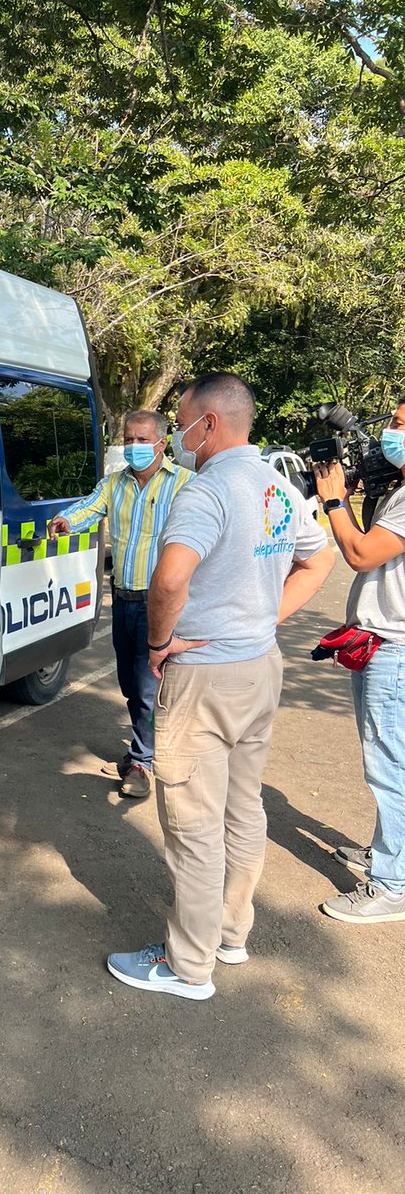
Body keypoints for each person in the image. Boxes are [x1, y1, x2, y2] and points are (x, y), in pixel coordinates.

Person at [106, 373, 334, 1000]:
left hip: (205, 675)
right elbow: (318, 560)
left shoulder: (206, 491)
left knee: (193, 823)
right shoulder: (278, 487)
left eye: (181, 423)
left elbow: (169, 580)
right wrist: (264, 619)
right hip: (259, 667)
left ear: (207, 424)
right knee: (242, 807)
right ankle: (231, 934)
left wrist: (158, 644)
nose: (178, 436)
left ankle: (188, 965)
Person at [48, 411, 193, 797]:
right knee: (130, 683)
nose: (134, 446)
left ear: (162, 443)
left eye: (142, 440)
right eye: (129, 439)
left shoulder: (186, 484)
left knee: (148, 686)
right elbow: (88, 507)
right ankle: (145, 749)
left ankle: (144, 762)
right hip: (124, 599)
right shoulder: (115, 484)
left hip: (160, 602)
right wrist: (66, 520)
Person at [315, 397, 405, 924]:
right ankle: (390, 856)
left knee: (389, 767)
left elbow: (361, 553)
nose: (391, 433)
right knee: (392, 761)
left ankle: (392, 885)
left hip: (394, 650)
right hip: (384, 644)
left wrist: (333, 500)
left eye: (400, 425)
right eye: (393, 422)